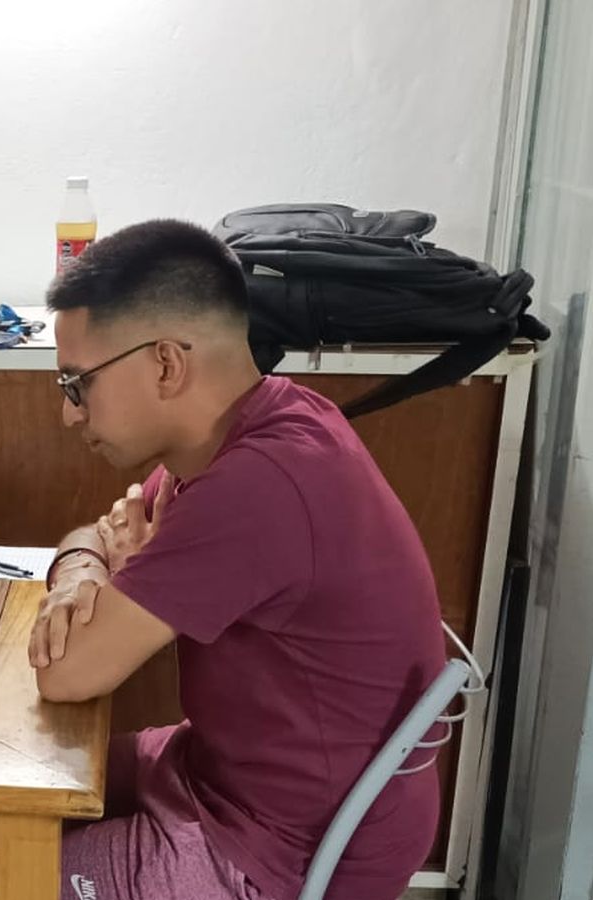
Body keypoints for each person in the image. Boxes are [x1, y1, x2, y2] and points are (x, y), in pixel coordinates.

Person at [27, 219, 446, 900]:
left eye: (77, 384)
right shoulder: (253, 427)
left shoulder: (257, 485)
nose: (70, 415)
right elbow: (98, 534)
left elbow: (67, 674)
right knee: (16, 781)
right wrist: (82, 571)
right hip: (218, 773)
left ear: (166, 364)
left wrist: (113, 570)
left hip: (278, 846)